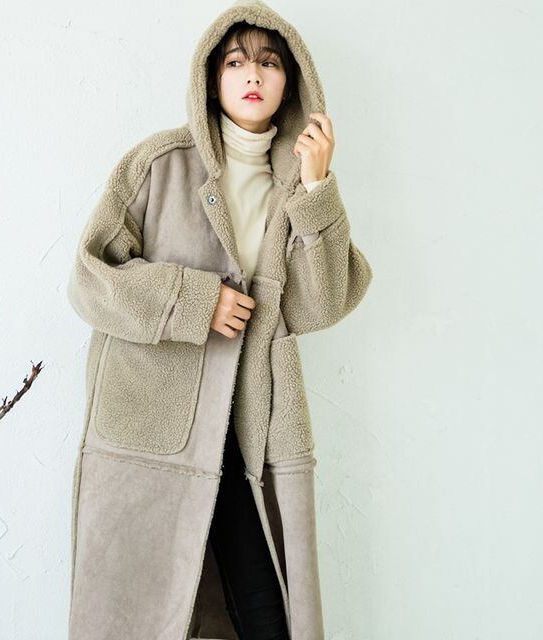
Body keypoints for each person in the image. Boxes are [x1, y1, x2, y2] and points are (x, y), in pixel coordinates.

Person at [66, 1, 373, 639]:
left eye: (269, 62)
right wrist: (192, 300)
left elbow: (320, 304)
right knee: (141, 614)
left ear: (292, 82)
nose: (252, 73)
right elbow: (89, 281)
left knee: (269, 612)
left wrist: (318, 189)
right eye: (235, 62)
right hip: (155, 428)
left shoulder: (297, 187)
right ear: (211, 79)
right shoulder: (158, 165)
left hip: (253, 425)